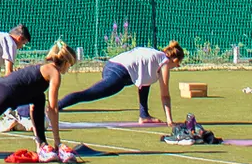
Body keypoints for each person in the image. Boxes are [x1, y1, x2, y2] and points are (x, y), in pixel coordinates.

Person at [57, 41, 185, 125]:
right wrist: (170, 120)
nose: (176, 67)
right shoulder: (165, 62)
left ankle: (144, 115)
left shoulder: (156, 57)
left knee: (145, 84)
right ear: (174, 59)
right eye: (178, 64)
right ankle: (54, 107)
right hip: (118, 71)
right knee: (89, 94)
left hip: (113, 65)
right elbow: (165, 95)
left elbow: (144, 82)